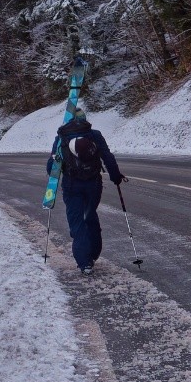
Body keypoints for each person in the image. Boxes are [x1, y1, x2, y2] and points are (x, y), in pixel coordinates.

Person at [48, 103, 125, 274]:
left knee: (77, 220)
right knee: (90, 214)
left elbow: (51, 167)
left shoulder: (61, 138)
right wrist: (116, 176)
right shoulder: (94, 135)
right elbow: (108, 157)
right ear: (84, 120)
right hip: (93, 184)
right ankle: (94, 252)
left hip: (71, 185)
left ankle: (85, 263)